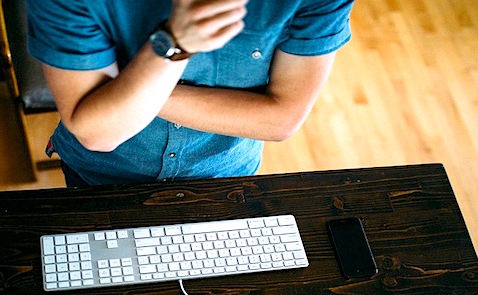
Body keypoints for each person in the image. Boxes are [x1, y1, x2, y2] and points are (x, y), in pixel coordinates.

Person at [27, 0, 355, 187]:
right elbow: (99, 135)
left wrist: (127, 96)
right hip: (101, 175)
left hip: (225, 174)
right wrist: (173, 45)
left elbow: (281, 120)